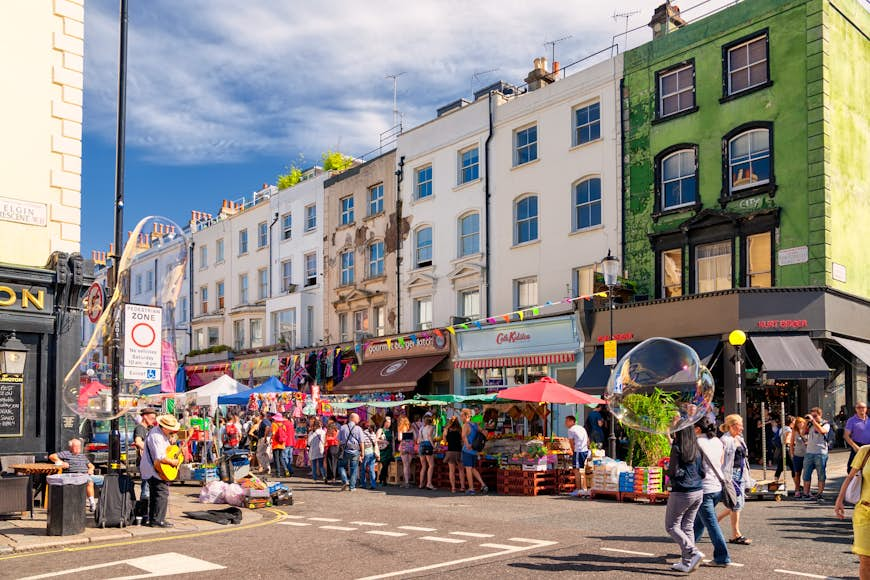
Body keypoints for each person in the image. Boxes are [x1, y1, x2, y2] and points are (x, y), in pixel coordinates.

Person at [665, 425, 706, 573]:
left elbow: (673, 472)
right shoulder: (697, 447)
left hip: (682, 491)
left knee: (672, 526)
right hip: (698, 491)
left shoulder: (677, 447)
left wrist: (665, 469)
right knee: (687, 526)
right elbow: (703, 471)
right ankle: (687, 562)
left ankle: (693, 552)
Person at [693, 418, 731, 567]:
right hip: (717, 486)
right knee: (700, 519)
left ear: (697, 429)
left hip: (704, 487)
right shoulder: (717, 441)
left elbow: (694, 465)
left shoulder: (697, 443)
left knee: (711, 524)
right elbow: (721, 461)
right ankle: (688, 547)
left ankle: (722, 557)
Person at [834, 443, 870, 579]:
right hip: (865, 512)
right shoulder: (866, 451)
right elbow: (850, 477)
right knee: (865, 559)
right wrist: (839, 500)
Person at [140, 414, 182, 528]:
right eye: (171, 428)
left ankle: (154, 519)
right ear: (165, 427)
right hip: (153, 469)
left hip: (153, 468)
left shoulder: (160, 433)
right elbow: (160, 457)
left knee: (156, 494)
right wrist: (173, 462)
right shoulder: (156, 436)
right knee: (161, 493)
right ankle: (158, 520)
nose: (173, 430)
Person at [717, 414, 751, 545]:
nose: (742, 428)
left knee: (738, 504)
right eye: (740, 425)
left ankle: (714, 520)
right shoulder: (724, 440)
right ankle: (736, 534)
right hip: (731, 475)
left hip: (741, 473)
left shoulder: (739, 438)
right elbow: (721, 459)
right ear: (732, 426)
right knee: (736, 504)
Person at [49, 438, 100, 512]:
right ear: (71, 447)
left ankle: (104, 505)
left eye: (79, 446)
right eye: (76, 446)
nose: (78, 448)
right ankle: (92, 503)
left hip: (86, 474)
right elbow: (51, 456)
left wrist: (91, 469)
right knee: (89, 481)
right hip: (74, 476)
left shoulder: (82, 456)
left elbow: (91, 465)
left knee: (106, 480)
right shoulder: (66, 453)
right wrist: (61, 462)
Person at [802, 407, 831, 500]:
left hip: (820, 452)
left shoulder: (825, 424)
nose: (813, 417)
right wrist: (807, 422)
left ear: (820, 415)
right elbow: (803, 433)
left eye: (815, 415)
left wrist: (814, 422)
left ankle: (819, 494)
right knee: (806, 473)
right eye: (812, 415)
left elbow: (822, 431)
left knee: (821, 474)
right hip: (809, 452)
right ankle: (806, 493)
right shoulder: (810, 424)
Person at [133, 408, 157, 510]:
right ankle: (143, 511)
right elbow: (138, 441)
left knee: (150, 486)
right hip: (144, 462)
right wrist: (150, 450)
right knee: (146, 486)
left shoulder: (150, 428)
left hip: (150, 462)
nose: (153, 420)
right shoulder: (140, 428)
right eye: (152, 418)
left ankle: (148, 510)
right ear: (144, 416)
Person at [460, 408, 488, 494]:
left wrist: (468, 444)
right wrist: (478, 443)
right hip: (475, 450)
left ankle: (471, 489)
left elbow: (463, 436)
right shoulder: (475, 425)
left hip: (467, 450)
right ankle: (483, 484)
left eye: (462, 415)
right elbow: (485, 432)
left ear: (467, 416)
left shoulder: (465, 425)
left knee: (468, 469)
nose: (461, 417)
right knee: (473, 468)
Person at [338, 413, 364, 491]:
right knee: (354, 468)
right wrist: (362, 452)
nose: (358, 420)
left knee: (341, 466)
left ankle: (345, 480)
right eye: (358, 418)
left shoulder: (342, 428)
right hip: (355, 451)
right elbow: (361, 441)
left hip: (345, 450)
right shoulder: (358, 429)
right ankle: (352, 487)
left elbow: (339, 440)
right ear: (353, 418)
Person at [564, 415, 589, 497]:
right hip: (585, 450)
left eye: (567, 421)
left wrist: (573, 451)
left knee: (576, 470)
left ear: (572, 421)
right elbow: (588, 440)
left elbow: (571, 442)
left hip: (578, 451)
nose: (565, 423)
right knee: (582, 470)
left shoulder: (571, 430)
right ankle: (584, 488)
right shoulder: (581, 428)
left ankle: (578, 489)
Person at [845, 402, 870, 470]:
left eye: (863, 407)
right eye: (859, 407)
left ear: (866, 409)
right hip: (858, 446)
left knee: (867, 469)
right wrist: (854, 446)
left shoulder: (869, 420)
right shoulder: (851, 420)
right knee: (852, 469)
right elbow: (846, 436)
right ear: (856, 409)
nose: (861, 409)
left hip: (869, 447)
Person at [444, 417, 466, 493]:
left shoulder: (447, 430)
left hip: (450, 452)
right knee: (461, 470)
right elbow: (463, 440)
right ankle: (462, 487)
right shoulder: (460, 430)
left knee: (451, 471)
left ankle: (453, 488)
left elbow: (445, 441)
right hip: (459, 451)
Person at [791, 417, 808, 498]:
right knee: (797, 473)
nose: (800, 424)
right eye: (799, 423)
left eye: (802, 422)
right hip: (797, 454)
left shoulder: (807, 430)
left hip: (807, 455)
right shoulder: (794, 431)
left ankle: (806, 490)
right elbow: (791, 443)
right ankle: (797, 490)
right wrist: (792, 454)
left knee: (807, 473)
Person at [775, 415, 794, 486]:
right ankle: (797, 484)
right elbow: (787, 440)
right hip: (787, 449)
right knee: (793, 467)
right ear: (791, 422)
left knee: (780, 467)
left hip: (782, 449)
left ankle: (775, 482)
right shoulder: (789, 430)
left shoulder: (781, 429)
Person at [417, 415, 436, 490]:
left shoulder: (421, 428)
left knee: (423, 466)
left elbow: (419, 439)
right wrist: (433, 446)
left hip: (421, 445)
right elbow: (429, 437)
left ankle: (421, 484)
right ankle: (429, 483)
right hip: (428, 445)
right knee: (431, 465)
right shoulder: (431, 427)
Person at [397, 416, 415, 488]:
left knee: (405, 465)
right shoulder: (411, 428)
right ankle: (407, 481)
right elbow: (416, 437)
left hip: (404, 446)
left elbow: (399, 438)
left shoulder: (400, 428)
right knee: (408, 464)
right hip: (410, 446)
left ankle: (406, 482)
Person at [271, 413, 291, 478]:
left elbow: (273, 433)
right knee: (281, 458)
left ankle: (278, 473)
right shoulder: (283, 425)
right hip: (282, 444)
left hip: (276, 444)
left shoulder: (274, 424)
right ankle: (286, 471)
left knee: (276, 459)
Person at [377, 416, 395, 486]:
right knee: (384, 465)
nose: (389, 424)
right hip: (383, 450)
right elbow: (376, 439)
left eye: (390, 423)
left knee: (387, 465)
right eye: (387, 422)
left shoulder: (391, 431)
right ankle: (382, 479)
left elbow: (392, 441)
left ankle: (384, 480)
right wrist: (384, 441)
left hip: (389, 450)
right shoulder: (380, 430)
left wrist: (393, 451)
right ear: (384, 422)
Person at [361, 421, 379, 490]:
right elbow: (375, 443)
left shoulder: (362, 433)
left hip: (365, 452)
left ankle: (363, 484)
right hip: (372, 452)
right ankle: (373, 484)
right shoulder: (373, 434)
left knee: (363, 469)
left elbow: (362, 443)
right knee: (371, 469)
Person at [324, 419, 340, 484]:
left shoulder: (328, 433)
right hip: (336, 448)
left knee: (329, 463)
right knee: (335, 463)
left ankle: (330, 476)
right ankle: (334, 477)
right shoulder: (337, 431)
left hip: (330, 448)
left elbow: (326, 441)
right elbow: (339, 440)